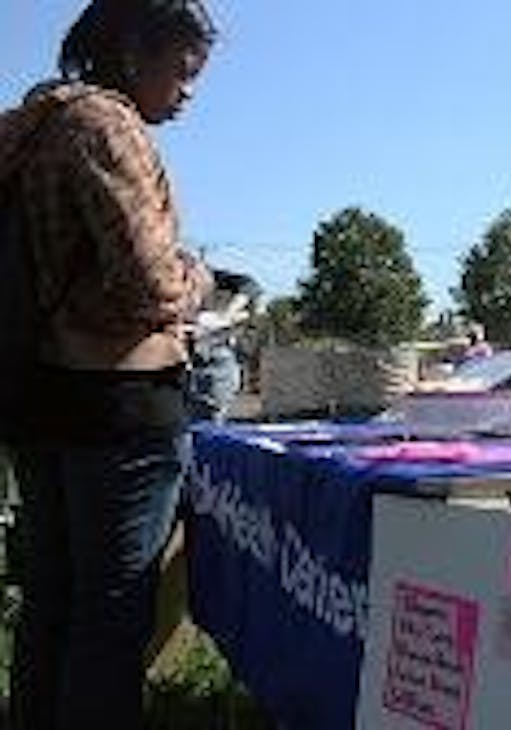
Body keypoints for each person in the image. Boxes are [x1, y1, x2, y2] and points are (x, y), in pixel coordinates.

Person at [0, 1, 217, 727]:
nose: (188, 91)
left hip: (37, 391)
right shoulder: (107, 125)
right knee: (110, 617)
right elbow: (150, 283)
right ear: (131, 52)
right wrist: (202, 281)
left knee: (51, 603)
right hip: (119, 404)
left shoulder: (29, 127)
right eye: (182, 71)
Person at [188, 268, 262, 422]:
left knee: (206, 424)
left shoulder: (196, 270)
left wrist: (225, 316)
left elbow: (250, 286)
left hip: (212, 360)